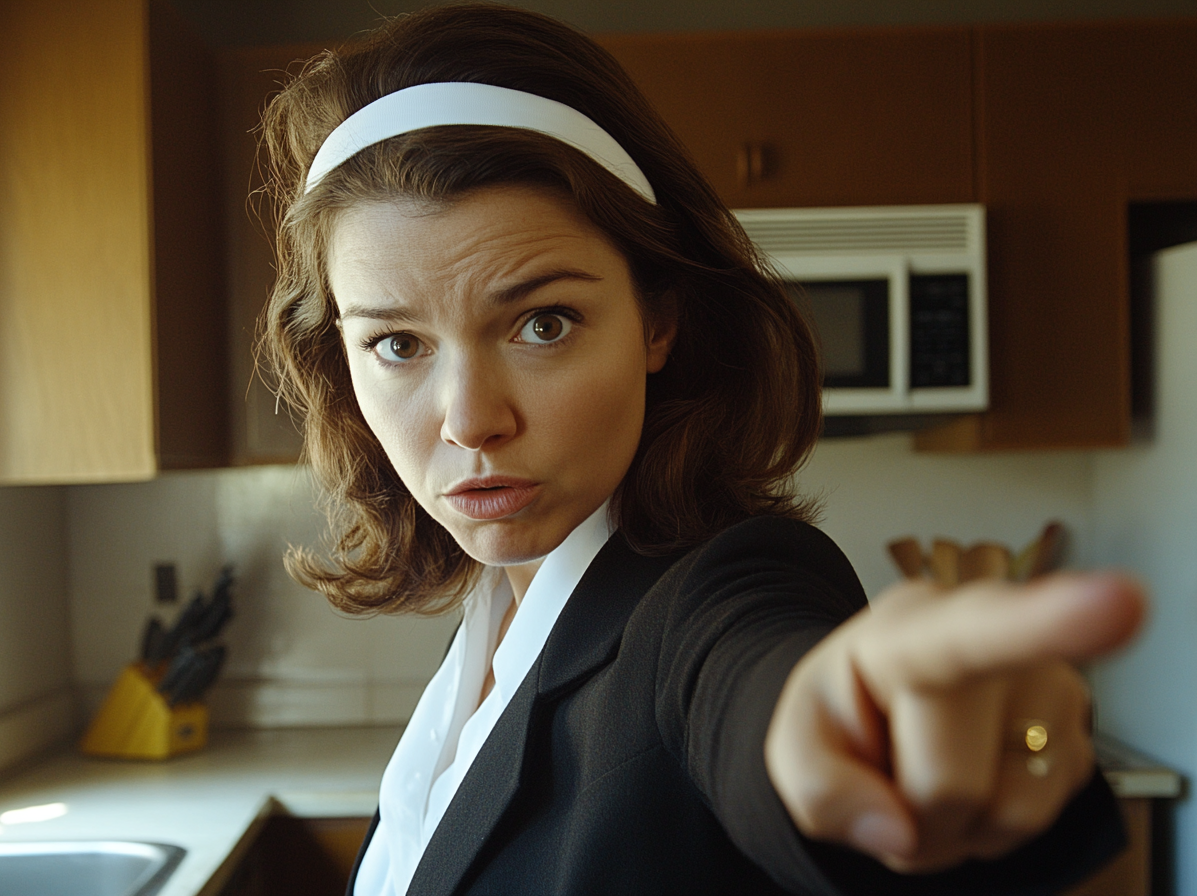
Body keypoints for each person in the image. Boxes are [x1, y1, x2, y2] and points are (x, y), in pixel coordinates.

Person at [259, 5, 1146, 894]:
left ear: (658, 321)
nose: (468, 420)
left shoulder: (714, 594)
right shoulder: (504, 609)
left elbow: (755, 688)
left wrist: (846, 732)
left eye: (542, 323)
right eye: (398, 344)